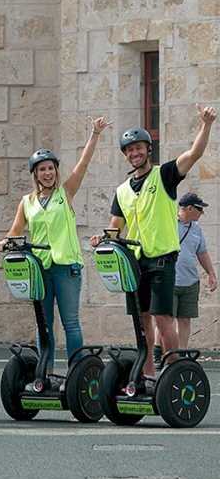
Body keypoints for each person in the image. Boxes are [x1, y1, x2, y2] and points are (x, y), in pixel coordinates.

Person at [91, 106, 217, 379]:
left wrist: (205, 125)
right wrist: (102, 238)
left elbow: (194, 154)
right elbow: (116, 226)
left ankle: (173, 371)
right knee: (142, 322)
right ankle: (147, 374)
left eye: (139, 148)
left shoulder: (165, 175)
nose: (134, 153)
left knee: (163, 318)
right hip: (134, 262)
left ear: (149, 149)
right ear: (125, 156)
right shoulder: (122, 191)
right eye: (129, 150)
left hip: (161, 259)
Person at [0, 117, 111, 376]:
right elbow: (15, 231)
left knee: (70, 323)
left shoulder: (66, 193)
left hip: (66, 267)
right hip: (40, 268)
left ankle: (76, 375)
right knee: (43, 324)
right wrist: (5, 242)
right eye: (41, 169)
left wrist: (94, 134)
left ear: (56, 171)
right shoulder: (27, 202)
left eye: (50, 168)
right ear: (35, 174)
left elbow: (83, 164)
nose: (47, 173)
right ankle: (43, 373)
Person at [160, 193, 216, 353]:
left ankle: (182, 353)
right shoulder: (168, 223)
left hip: (190, 283)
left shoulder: (196, 229)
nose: (202, 213)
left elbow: (202, 253)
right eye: (200, 209)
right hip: (169, 281)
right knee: (166, 320)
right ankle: (164, 354)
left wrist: (211, 273)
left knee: (185, 320)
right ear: (190, 208)